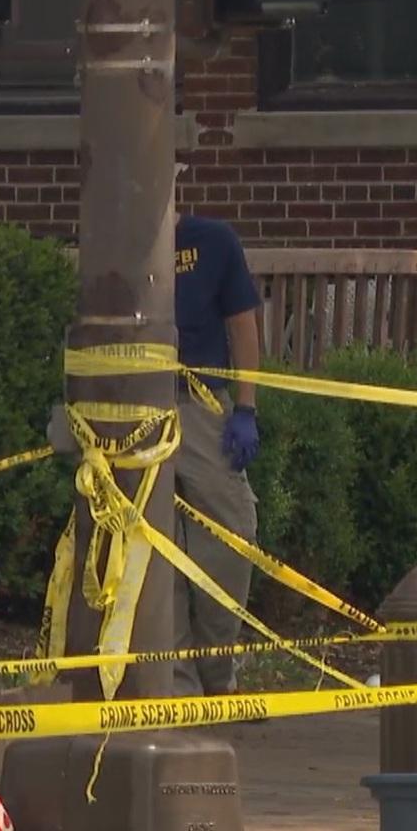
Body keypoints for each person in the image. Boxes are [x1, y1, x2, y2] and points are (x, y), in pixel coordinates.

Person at [168, 204, 264, 697]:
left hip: (201, 404)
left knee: (231, 534)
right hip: (134, 409)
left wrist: (245, 406)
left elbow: (242, 325)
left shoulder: (213, 241)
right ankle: (177, 685)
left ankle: (217, 676)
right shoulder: (113, 242)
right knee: (156, 551)